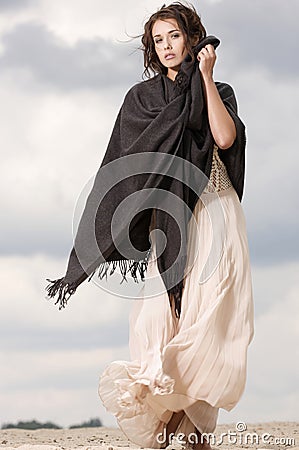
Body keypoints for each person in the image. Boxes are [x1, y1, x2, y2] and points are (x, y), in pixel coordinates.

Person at [97, 2, 254, 450]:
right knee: (158, 322)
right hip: (169, 222)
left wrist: (204, 78)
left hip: (215, 214)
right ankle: (170, 422)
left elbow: (224, 139)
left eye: (175, 36)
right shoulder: (141, 100)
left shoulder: (219, 89)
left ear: (192, 38)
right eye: (159, 39)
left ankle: (194, 430)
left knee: (205, 324)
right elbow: (125, 164)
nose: (167, 47)